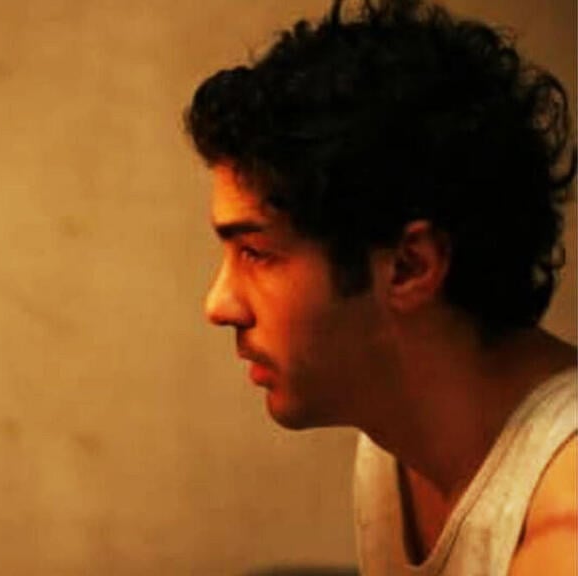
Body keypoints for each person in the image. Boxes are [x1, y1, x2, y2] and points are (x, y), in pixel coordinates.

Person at [186, 0, 576, 573]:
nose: (218, 305)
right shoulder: (391, 438)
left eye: (257, 253)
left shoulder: (564, 524)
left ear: (409, 266)